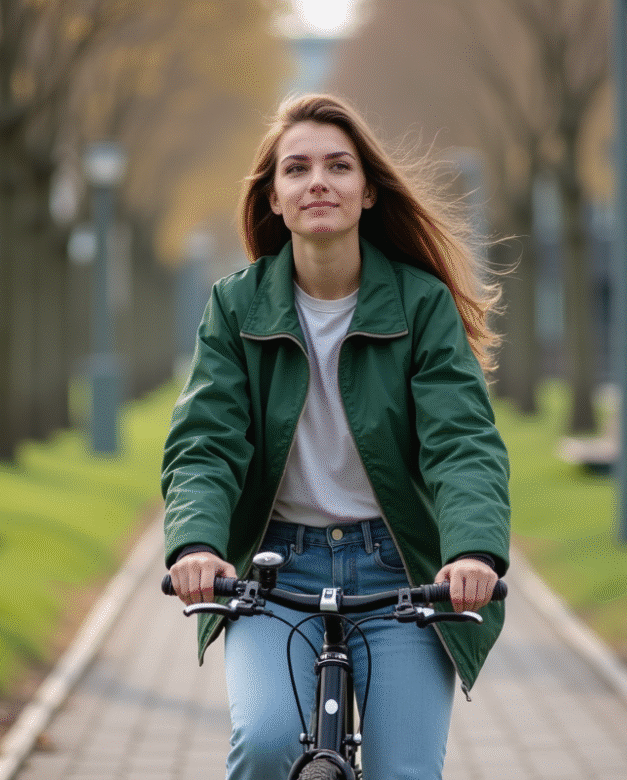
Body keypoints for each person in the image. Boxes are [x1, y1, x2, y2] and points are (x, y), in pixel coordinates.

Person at [162, 94, 511, 780]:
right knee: (265, 746)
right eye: (296, 168)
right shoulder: (235, 306)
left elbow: (461, 440)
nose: (317, 180)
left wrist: (472, 552)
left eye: (338, 165)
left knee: (404, 772)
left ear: (368, 190)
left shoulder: (421, 304)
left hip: (401, 573)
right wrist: (198, 544)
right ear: (274, 198)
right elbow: (206, 440)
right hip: (273, 572)